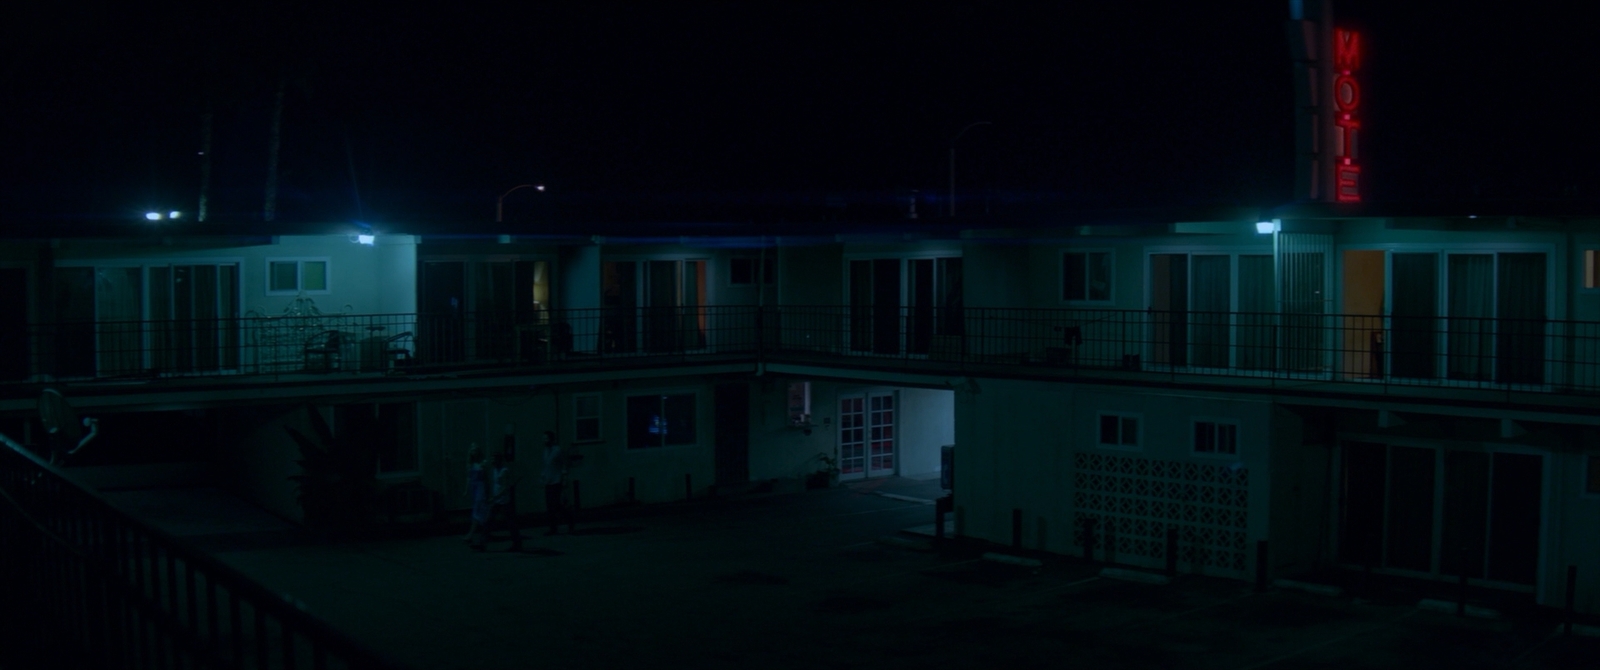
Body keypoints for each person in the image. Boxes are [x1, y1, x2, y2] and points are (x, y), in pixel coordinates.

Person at [541, 430, 575, 535]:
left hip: (556, 481)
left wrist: (564, 479)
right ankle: (553, 528)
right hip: (548, 481)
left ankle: (569, 521)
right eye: (544, 439)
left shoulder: (558, 450)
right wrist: (543, 476)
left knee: (556, 505)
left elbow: (564, 464)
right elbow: (546, 465)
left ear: (551, 439)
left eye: (546, 438)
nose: (545, 441)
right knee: (549, 506)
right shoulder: (545, 451)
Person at [464, 444, 489, 551]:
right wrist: (466, 490)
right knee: (479, 511)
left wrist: (487, 491)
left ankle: (471, 534)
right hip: (474, 488)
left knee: (477, 511)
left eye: (475, 450)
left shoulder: (482, 463)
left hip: (480, 488)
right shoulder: (470, 464)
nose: (474, 452)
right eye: (472, 450)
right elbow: (469, 478)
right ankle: (480, 534)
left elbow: (485, 478)